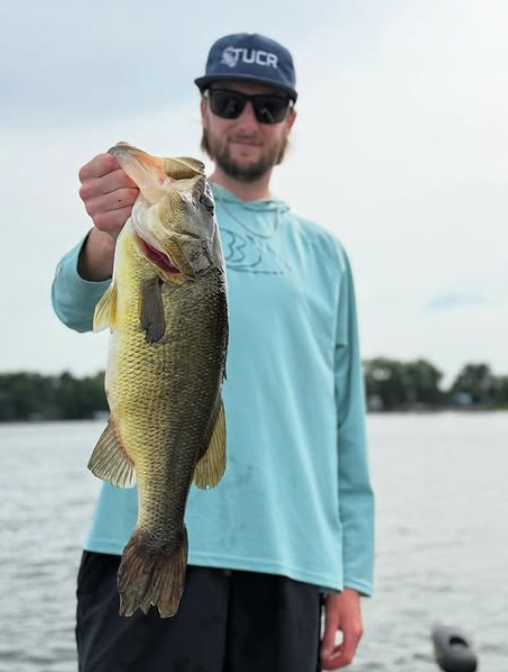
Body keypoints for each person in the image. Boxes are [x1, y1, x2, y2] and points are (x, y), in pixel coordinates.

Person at [52, 32, 375, 672]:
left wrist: (351, 574)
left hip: (291, 557)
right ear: (204, 110)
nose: (247, 121)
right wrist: (103, 238)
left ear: (289, 121)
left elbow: (346, 424)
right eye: (229, 102)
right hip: (137, 539)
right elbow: (71, 306)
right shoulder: (147, 216)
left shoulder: (325, 254)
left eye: (268, 107)